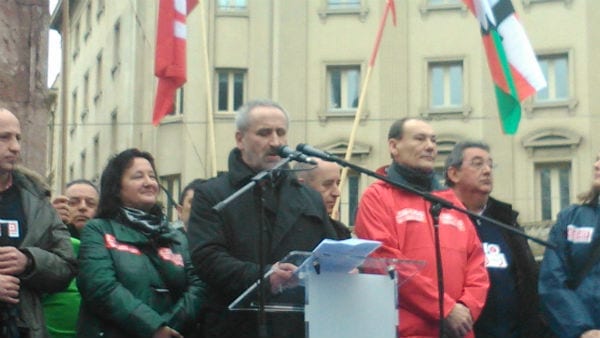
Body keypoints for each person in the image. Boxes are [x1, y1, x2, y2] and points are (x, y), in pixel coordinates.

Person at [187, 99, 341, 338]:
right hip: (236, 325)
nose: (276, 142)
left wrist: (344, 266)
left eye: (281, 133)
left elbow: (328, 251)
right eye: (264, 133)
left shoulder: (308, 197)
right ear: (240, 139)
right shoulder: (213, 195)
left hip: (298, 325)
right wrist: (265, 276)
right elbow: (207, 257)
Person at [354, 118, 489, 338]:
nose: (430, 146)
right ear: (393, 146)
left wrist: (466, 309)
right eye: (420, 139)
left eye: (433, 140)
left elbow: (477, 263)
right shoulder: (377, 196)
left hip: (458, 330)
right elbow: (384, 261)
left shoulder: (450, 201)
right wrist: (444, 308)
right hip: (406, 331)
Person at [76, 148, 206, 338]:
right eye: (138, 176)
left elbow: (198, 286)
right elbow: (100, 287)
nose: (149, 183)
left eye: (152, 176)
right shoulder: (98, 230)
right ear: (116, 187)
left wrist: (168, 328)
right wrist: (153, 328)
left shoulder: (176, 237)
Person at [445, 141, 548, 338]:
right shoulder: (438, 217)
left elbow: (528, 280)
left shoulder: (506, 220)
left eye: (490, 165)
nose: (487, 171)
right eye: (477, 163)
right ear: (454, 174)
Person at [0, 108, 77, 337]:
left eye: (18, 138)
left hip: (22, 328)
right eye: (4, 137)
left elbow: (67, 266)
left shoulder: (37, 201)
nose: (15, 147)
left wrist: (30, 261)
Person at [539, 152, 600, 338]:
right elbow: (552, 280)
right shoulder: (571, 217)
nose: (597, 165)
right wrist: (583, 330)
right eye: (596, 159)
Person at [44, 179, 99, 338]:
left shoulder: (109, 245)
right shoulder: (46, 240)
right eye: (73, 202)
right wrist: (48, 222)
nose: (82, 207)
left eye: (90, 203)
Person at [294, 158, 351, 239]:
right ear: (302, 185)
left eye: (337, 184)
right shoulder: (281, 227)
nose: (336, 193)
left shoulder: (340, 231)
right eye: (327, 184)